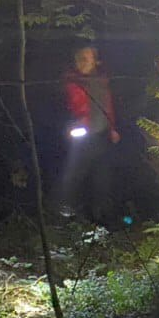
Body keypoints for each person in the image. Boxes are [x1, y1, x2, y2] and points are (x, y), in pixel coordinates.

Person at [59, 45, 120, 224]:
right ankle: (67, 214)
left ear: (95, 60)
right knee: (75, 175)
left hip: (101, 135)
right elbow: (64, 110)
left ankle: (100, 218)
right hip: (81, 137)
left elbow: (107, 105)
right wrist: (71, 127)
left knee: (102, 178)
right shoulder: (71, 82)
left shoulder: (102, 81)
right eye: (81, 58)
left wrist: (112, 128)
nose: (84, 62)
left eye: (88, 58)